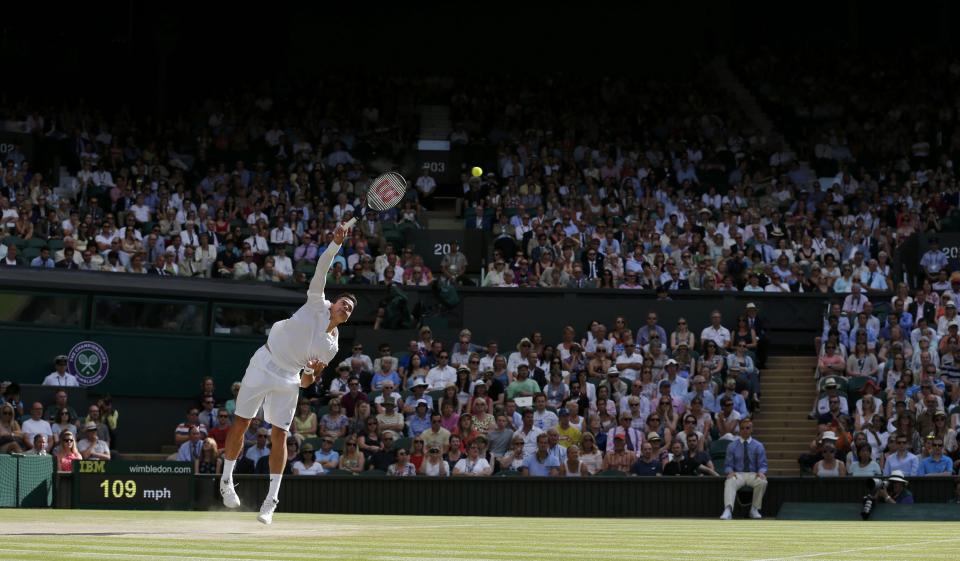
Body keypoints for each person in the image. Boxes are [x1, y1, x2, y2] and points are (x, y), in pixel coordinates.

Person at [219, 221, 356, 524]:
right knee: (242, 423)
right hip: (264, 362)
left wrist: (315, 375)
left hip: (289, 378)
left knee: (280, 434)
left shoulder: (331, 348)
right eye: (344, 303)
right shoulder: (316, 301)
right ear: (333, 304)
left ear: (346, 319)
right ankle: (226, 481)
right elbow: (322, 267)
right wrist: (335, 244)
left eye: (350, 309)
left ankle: (271, 502)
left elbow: (306, 382)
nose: (346, 308)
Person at [720, 418, 767, 520]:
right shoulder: (731, 446)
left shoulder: (759, 446)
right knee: (729, 481)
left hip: (753, 474)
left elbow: (763, 464)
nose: (745, 430)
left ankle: (754, 509)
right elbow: (728, 464)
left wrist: (761, 472)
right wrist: (730, 472)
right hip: (738, 474)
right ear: (739, 430)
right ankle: (728, 510)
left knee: (762, 481)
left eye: (747, 428)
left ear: (751, 429)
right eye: (742, 428)